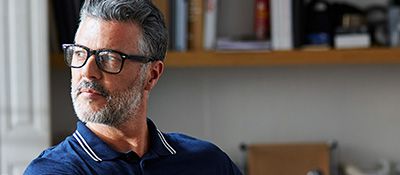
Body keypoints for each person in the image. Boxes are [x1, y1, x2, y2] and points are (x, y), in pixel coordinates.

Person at [24, 0, 242, 174]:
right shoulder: (51, 171)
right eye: (80, 53)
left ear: (152, 74)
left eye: (108, 57)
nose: (87, 71)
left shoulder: (208, 163)